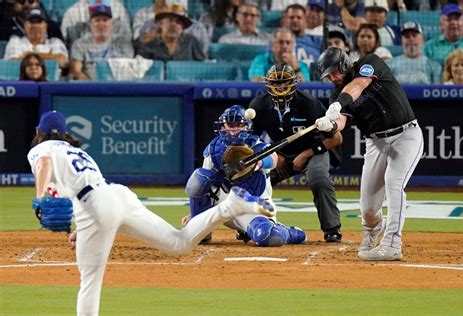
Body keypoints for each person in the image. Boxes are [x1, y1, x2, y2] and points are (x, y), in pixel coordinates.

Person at [28, 110, 275, 316]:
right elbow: (92, 193)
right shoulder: (79, 152)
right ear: (65, 134)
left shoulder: (43, 148)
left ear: (39, 133)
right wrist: (84, 229)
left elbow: (44, 164)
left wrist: (40, 197)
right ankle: (229, 206)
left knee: (90, 281)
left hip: (96, 205)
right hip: (118, 195)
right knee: (178, 243)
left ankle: (230, 206)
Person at [316, 47, 423, 260]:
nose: (333, 78)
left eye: (334, 72)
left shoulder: (369, 62)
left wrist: (338, 103)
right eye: (328, 76)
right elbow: (341, 122)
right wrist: (329, 126)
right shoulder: (336, 94)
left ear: (344, 65)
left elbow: (359, 85)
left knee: (394, 183)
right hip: (375, 143)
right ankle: (373, 230)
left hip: (406, 135)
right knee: (368, 207)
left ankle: (393, 243)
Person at [182, 104, 307, 246]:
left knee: (268, 237)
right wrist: (195, 214)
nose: (234, 129)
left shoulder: (258, 146)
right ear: (223, 127)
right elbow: (203, 187)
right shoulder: (213, 149)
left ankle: (288, 232)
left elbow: (273, 159)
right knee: (200, 178)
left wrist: (257, 163)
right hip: (224, 205)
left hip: (252, 206)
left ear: (246, 127)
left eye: (239, 125)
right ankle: (201, 230)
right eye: (230, 125)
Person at [249, 63, 344, 243]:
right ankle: (249, 225)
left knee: (318, 178)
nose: (280, 87)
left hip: (314, 150)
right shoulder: (259, 106)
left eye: (284, 82)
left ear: (293, 83)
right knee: (255, 179)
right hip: (281, 153)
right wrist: (274, 157)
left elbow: (336, 138)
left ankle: (332, 229)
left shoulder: (309, 104)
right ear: (268, 84)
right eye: (276, 83)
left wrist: (306, 154)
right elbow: (253, 141)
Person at [70, 5, 134, 81]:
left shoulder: (122, 42)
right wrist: (93, 87)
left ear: (112, 24)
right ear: (90, 24)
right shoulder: (80, 44)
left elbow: (127, 70)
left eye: (105, 20)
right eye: (97, 20)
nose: (101, 24)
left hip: (118, 87)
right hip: (90, 88)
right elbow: (76, 71)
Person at [4, 8, 68, 70]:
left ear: (45, 26)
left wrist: (28, 55)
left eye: (38, 21)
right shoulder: (15, 41)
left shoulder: (55, 42)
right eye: (32, 22)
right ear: (24, 25)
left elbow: (62, 62)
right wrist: (50, 56)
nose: (35, 25)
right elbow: (12, 65)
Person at [136, 5, 206, 61]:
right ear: (161, 24)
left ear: (182, 28)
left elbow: (202, 67)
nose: (173, 24)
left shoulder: (191, 42)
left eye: (178, 22)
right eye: (170, 20)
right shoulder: (148, 45)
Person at [60, 0, 131, 48]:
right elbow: (66, 40)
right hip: (85, 57)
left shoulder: (118, 8)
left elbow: (127, 36)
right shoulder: (73, 11)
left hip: (114, 55)